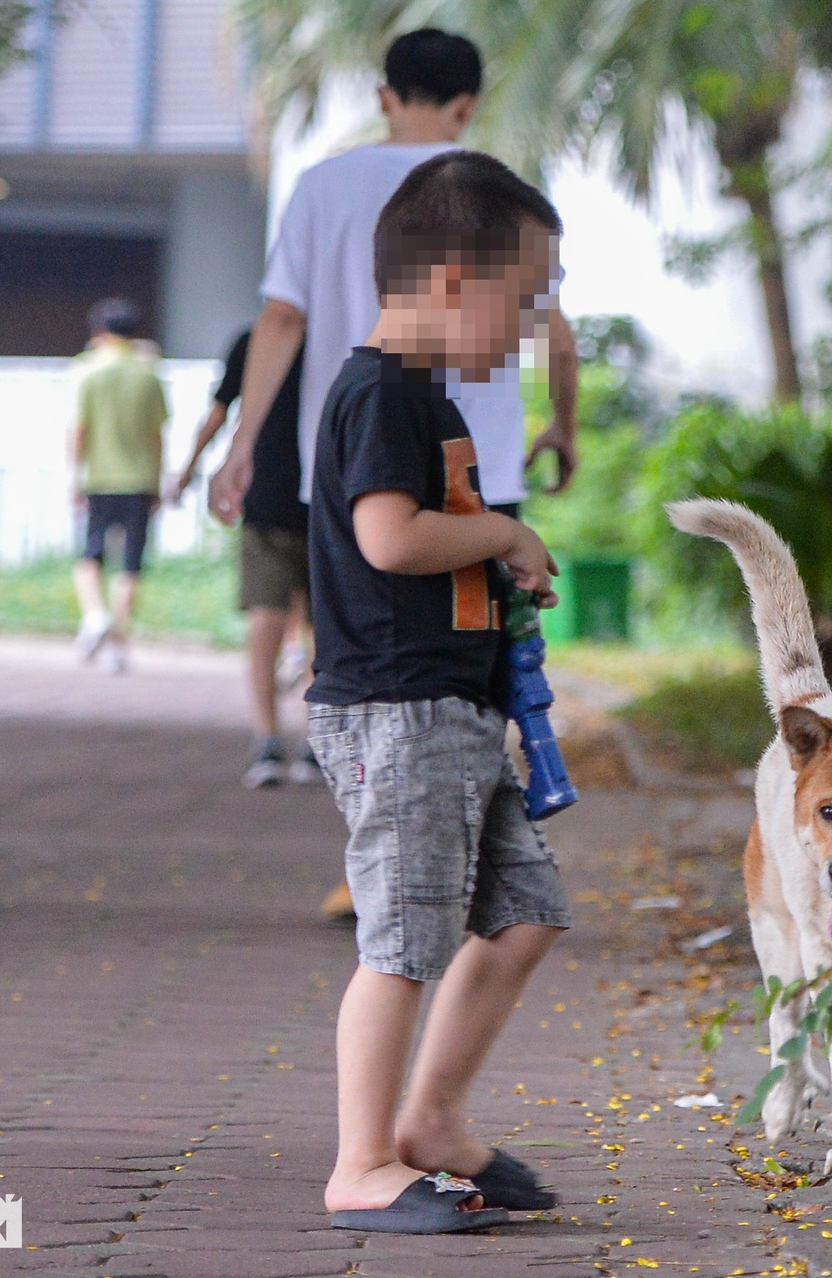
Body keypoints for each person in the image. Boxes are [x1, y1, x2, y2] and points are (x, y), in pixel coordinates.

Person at [210, 27, 580, 922]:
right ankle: (405, 864)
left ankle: (396, 854)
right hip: (474, 470)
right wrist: (562, 425)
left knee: (353, 653)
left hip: (340, 464)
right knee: (463, 664)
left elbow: (280, 325)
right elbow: (554, 328)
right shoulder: (491, 193)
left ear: (384, 96)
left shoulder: (322, 185)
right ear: (470, 103)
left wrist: (243, 442)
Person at [307, 151, 569, 1234]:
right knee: (404, 937)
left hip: (455, 714)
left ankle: (431, 1119)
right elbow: (389, 536)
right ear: (453, 281)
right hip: (398, 713)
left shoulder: (428, 399)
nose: (530, 328)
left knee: (523, 914)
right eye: (524, 299)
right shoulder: (378, 392)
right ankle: (361, 1161)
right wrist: (502, 529)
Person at [170, 331, 322, 788]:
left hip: (283, 501)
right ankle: (300, 739)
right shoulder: (342, 329)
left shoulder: (258, 339)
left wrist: (190, 470)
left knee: (270, 619)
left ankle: (272, 738)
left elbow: (217, 413)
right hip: (320, 503)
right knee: (318, 625)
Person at [71, 298, 168, 674]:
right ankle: (119, 645)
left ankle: (95, 615)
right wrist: (160, 478)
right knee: (130, 565)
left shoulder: (87, 371)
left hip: (98, 477)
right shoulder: (148, 374)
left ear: (98, 331)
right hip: (140, 479)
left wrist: (74, 476)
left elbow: (79, 428)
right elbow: (159, 434)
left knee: (89, 557)